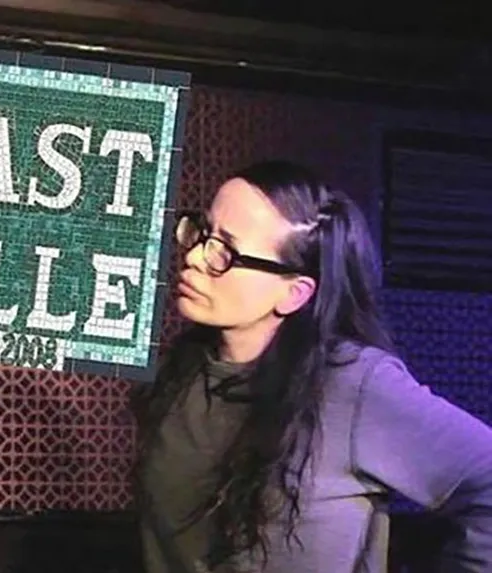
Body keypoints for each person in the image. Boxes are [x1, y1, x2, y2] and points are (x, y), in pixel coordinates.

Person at [135, 160, 492, 572]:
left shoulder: (353, 385)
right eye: (202, 231)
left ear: (294, 293)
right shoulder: (176, 376)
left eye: (226, 251)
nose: (195, 256)